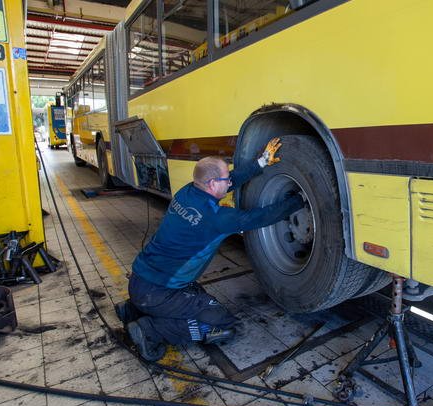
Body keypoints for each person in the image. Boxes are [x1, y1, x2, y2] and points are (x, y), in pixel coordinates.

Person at [116, 138, 305, 360]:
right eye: (226, 179)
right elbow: (263, 216)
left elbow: (230, 181)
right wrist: (299, 200)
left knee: (197, 297)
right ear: (213, 184)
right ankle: (151, 330)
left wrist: (260, 164)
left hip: (140, 282)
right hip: (159, 293)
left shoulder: (187, 192)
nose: (229, 182)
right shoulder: (217, 218)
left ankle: (132, 310)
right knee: (222, 323)